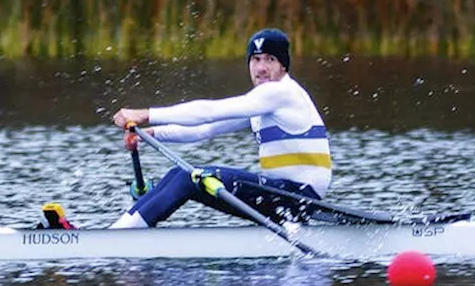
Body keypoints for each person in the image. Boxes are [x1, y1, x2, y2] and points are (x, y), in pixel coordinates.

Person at [107, 28, 333, 229]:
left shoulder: (281, 92)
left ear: (283, 65)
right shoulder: (263, 103)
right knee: (179, 174)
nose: (261, 68)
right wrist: (150, 134)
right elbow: (205, 129)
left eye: (270, 59)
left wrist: (146, 114)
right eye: (255, 60)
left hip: (298, 196)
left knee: (190, 178)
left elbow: (209, 111)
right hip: (284, 197)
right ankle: (121, 230)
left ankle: (118, 237)